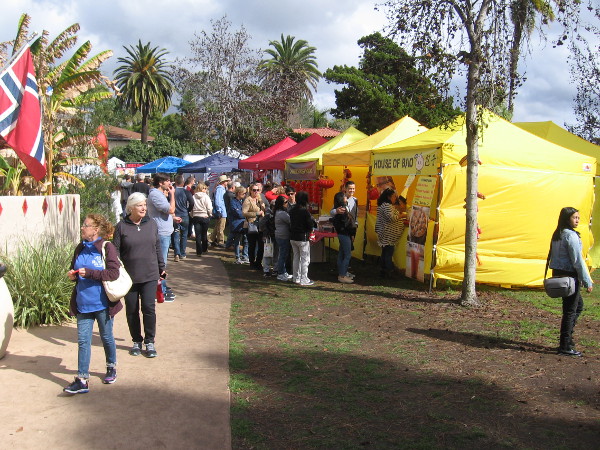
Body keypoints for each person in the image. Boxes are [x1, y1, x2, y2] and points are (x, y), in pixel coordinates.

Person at [64, 214, 121, 394]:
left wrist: (89, 273)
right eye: (83, 225)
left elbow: (113, 273)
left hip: (103, 303)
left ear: (95, 230)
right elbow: (76, 268)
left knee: (106, 337)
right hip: (83, 303)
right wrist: (73, 275)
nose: (82, 228)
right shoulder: (80, 247)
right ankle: (82, 379)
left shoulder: (106, 247)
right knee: (83, 341)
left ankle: (111, 366)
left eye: (86, 225)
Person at [113, 192, 166, 358]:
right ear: (131, 208)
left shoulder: (152, 224)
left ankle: (150, 341)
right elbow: (115, 251)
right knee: (132, 309)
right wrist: (116, 270)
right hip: (129, 277)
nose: (144, 208)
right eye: (140, 205)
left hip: (150, 273)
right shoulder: (121, 226)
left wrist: (161, 267)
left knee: (149, 308)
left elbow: (157, 246)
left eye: (144, 204)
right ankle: (136, 340)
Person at [549, 207, 593, 356]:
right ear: (567, 219)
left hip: (558, 274)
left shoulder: (558, 234)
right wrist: (587, 281)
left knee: (577, 306)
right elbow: (577, 260)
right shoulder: (570, 235)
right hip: (569, 276)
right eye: (574, 218)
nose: (577, 220)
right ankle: (565, 345)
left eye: (578, 218)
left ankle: (567, 340)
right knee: (570, 310)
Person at [147, 173, 176, 301]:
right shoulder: (155, 195)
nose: (170, 183)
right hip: (161, 232)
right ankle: (160, 291)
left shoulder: (159, 194)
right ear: (160, 183)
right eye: (168, 181)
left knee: (163, 262)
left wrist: (174, 218)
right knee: (161, 263)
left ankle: (162, 286)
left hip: (164, 231)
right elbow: (170, 209)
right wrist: (173, 195)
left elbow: (167, 213)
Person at [375, 188, 406, 278]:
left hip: (386, 233)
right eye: (393, 197)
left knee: (385, 252)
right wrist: (402, 215)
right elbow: (392, 218)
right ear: (388, 197)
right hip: (388, 234)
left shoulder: (383, 205)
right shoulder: (386, 206)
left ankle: (384, 270)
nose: (395, 199)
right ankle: (388, 272)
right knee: (388, 253)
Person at [289, 191, 316, 286]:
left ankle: (296, 278)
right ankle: (304, 279)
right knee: (305, 259)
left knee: (296, 257)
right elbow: (310, 225)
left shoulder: (292, 210)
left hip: (293, 237)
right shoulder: (305, 211)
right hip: (302, 237)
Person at [332, 191, 356, 284]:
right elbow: (347, 224)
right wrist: (352, 233)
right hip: (345, 234)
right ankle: (342, 275)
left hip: (342, 233)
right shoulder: (342, 210)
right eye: (345, 197)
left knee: (342, 254)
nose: (346, 197)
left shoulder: (339, 209)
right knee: (347, 255)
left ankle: (342, 273)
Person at [243, 182, 266, 270]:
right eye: (254, 190)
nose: (256, 192)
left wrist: (264, 210)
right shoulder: (247, 200)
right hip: (251, 225)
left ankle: (258, 263)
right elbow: (244, 213)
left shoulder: (260, 199)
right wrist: (256, 213)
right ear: (251, 191)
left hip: (260, 225)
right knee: (252, 245)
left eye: (258, 190)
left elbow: (266, 209)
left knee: (261, 245)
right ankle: (252, 262)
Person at [173, 174, 194, 262]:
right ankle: (182, 253)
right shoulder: (186, 192)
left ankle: (177, 253)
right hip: (184, 214)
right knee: (184, 235)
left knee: (175, 234)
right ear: (182, 183)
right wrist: (188, 210)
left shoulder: (172, 192)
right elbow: (192, 202)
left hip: (175, 215)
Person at [273, 195, 293, 281]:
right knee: (282, 255)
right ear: (281, 204)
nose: (287, 204)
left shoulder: (278, 212)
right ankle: (280, 273)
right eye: (285, 202)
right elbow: (290, 221)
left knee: (283, 254)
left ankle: (283, 271)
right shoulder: (282, 213)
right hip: (283, 236)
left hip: (280, 235)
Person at [191, 182, 213, 257]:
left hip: (196, 216)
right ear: (202, 189)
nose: (206, 190)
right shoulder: (206, 197)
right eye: (205, 188)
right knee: (204, 234)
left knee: (198, 235)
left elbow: (191, 206)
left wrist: (192, 215)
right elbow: (209, 207)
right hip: (204, 216)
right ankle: (204, 248)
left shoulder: (193, 196)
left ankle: (198, 251)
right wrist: (210, 214)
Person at [230, 186, 249, 264]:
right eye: (244, 193)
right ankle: (237, 256)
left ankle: (245, 255)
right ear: (239, 193)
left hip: (244, 223)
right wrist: (245, 214)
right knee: (237, 241)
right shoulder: (233, 202)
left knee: (246, 240)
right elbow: (237, 213)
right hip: (237, 224)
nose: (245, 195)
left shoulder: (243, 201)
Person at [210, 175, 230, 248]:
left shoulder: (221, 189)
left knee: (217, 226)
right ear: (224, 182)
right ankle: (220, 241)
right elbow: (218, 201)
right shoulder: (220, 189)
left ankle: (211, 239)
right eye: (226, 181)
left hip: (222, 210)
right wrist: (219, 211)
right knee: (221, 226)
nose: (227, 182)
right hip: (222, 211)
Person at [223, 181, 237, 250]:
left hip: (228, 212)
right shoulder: (231, 195)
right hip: (230, 214)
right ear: (232, 187)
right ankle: (229, 244)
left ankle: (230, 244)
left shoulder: (226, 194)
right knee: (232, 230)